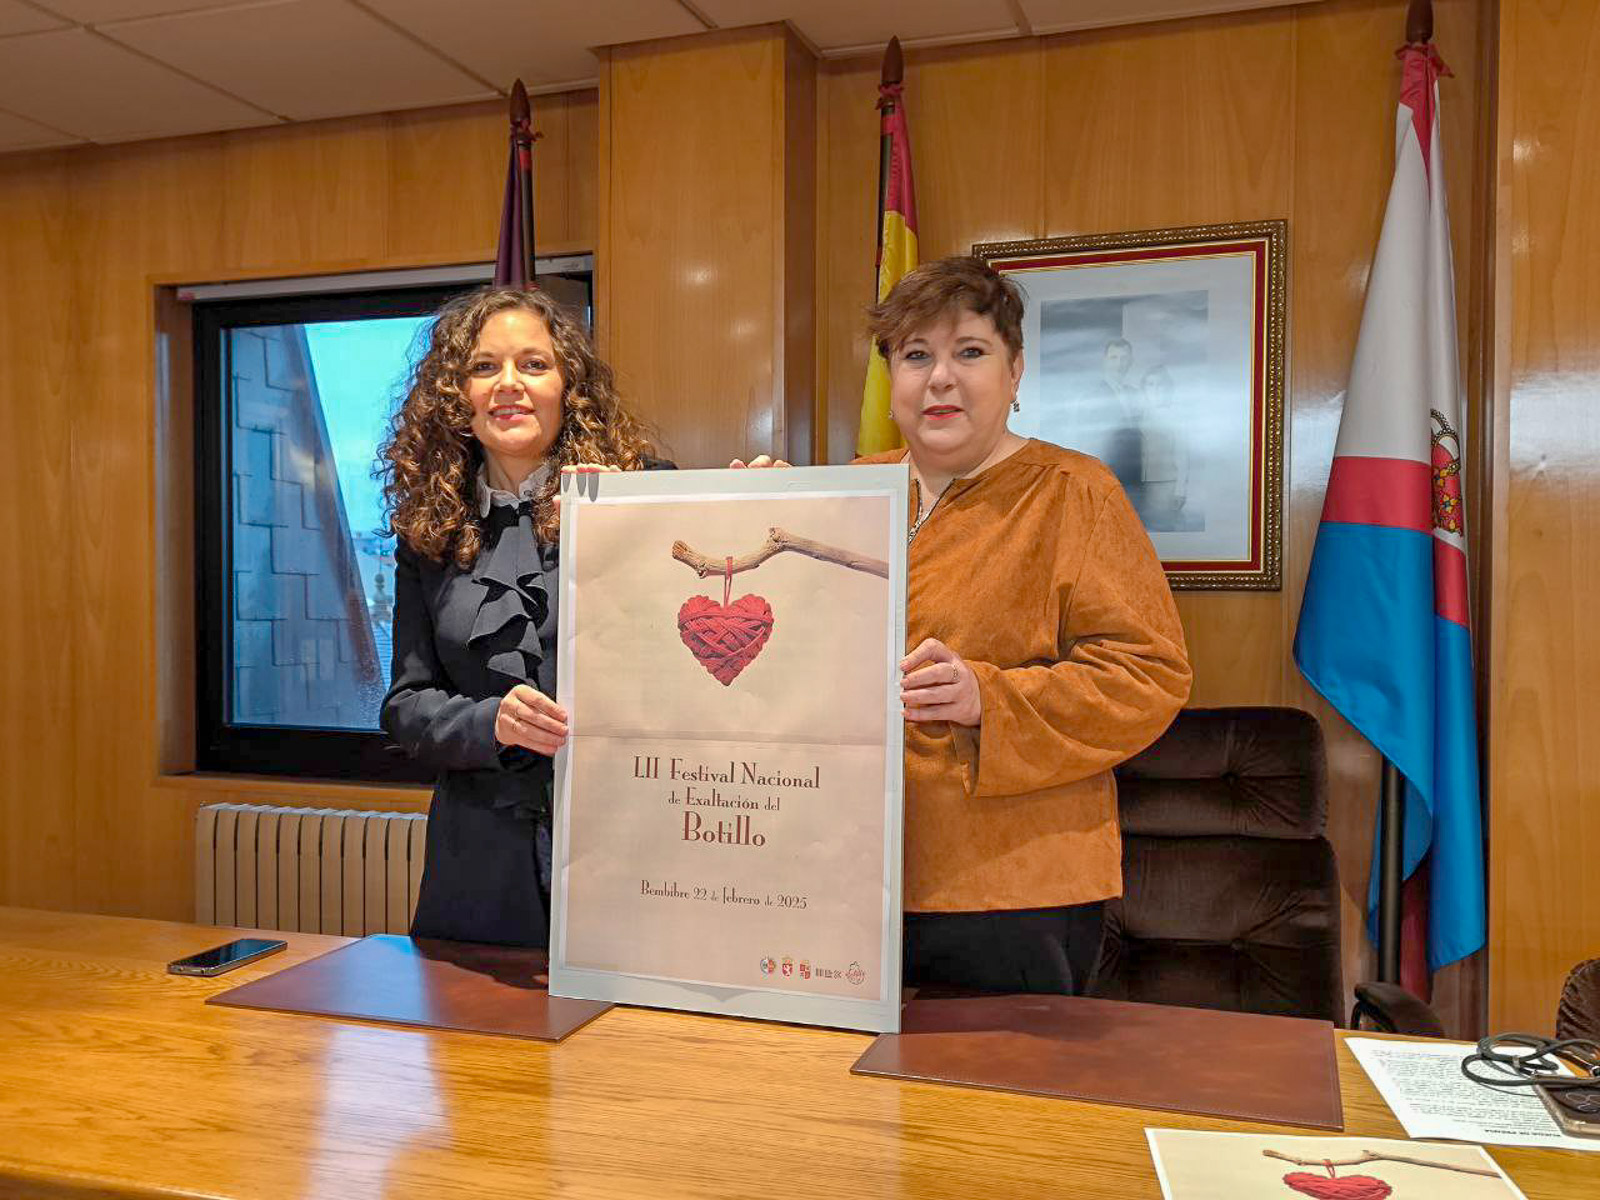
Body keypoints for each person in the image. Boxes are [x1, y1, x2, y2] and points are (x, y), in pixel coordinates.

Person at [746, 257, 1191, 994]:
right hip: (842, 872)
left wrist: (990, 698)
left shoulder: (1075, 494)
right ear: (892, 378)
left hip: (1010, 889)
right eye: (916, 355)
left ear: (1015, 372)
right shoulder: (851, 489)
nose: (940, 378)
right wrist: (750, 515)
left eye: (970, 352)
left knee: (993, 1106)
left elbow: (1150, 676)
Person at [378, 285, 668, 947]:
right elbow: (405, 704)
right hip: (479, 870)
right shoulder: (428, 532)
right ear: (457, 396)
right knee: (479, 1049)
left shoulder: (641, 494)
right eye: (485, 367)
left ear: (570, 388)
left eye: (534, 365)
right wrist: (490, 721)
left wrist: (766, 500)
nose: (509, 384)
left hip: (628, 850)